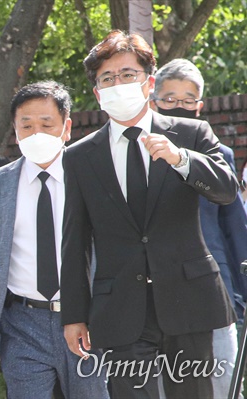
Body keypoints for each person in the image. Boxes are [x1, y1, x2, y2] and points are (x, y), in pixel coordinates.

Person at [61, 30, 239, 399]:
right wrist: (74, 314)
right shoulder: (79, 156)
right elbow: (75, 240)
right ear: (97, 93)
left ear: (149, 83)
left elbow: (226, 189)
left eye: (128, 74)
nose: (118, 84)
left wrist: (181, 159)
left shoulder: (191, 134)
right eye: (107, 78)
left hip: (188, 298)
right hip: (119, 306)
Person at [0, 80, 109, 399]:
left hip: (87, 318)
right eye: (26, 125)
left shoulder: (92, 174)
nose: (36, 133)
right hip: (22, 321)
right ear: (15, 129)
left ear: (66, 128)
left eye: (46, 124)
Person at [152, 58, 247, 398]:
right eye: (170, 98)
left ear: (201, 106)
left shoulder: (218, 154)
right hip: (159, 290)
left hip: (215, 288)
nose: (180, 105)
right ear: (153, 101)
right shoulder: (140, 152)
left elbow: (235, 225)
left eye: (188, 99)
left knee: (222, 382)